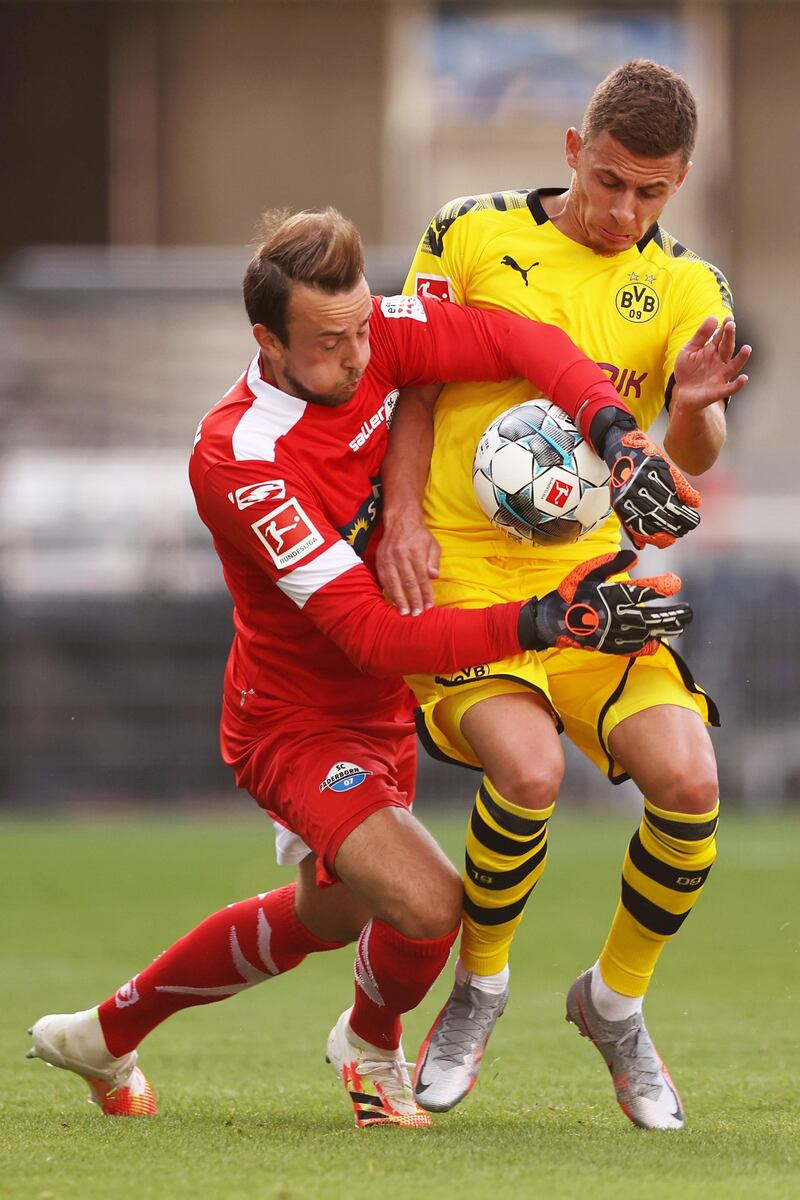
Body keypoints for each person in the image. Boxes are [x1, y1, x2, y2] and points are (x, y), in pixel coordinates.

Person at [26, 207, 695, 1130]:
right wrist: (547, 622)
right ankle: (370, 1046)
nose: (355, 355)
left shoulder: (374, 330)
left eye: (360, 330)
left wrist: (615, 432)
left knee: (332, 914)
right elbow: (373, 635)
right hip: (295, 719)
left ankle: (104, 1035)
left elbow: (517, 337)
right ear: (267, 340)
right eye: (329, 342)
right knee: (428, 906)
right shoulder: (241, 459)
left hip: (385, 707)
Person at [377, 60, 751, 1129]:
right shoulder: (468, 232)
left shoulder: (688, 285)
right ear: (571, 151)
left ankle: (612, 1004)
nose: (622, 210)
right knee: (528, 767)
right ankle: (478, 988)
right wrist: (399, 515)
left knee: (686, 778)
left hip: (592, 594)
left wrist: (688, 408)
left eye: (650, 193)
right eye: (608, 182)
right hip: (460, 583)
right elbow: (413, 380)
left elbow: (692, 461)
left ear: (676, 185)